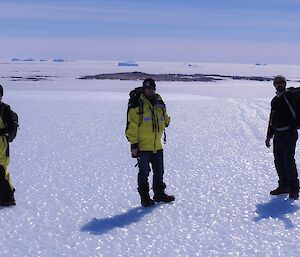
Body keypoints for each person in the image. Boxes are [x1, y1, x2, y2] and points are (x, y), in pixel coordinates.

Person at [126, 78, 175, 207]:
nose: (150, 91)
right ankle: (145, 198)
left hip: (157, 145)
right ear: (144, 89)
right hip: (143, 146)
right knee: (144, 173)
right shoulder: (138, 103)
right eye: (148, 89)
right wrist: (134, 145)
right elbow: (132, 125)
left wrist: (166, 121)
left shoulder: (159, 101)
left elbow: (165, 119)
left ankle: (159, 194)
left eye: (152, 88)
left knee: (159, 171)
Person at [265, 75, 299, 200]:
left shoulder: (291, 96)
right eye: (277, 82)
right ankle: (284, 186)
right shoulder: (275, 100)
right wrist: (269, 135)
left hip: (289, 134)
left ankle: (294, 189)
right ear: (274, 85)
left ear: (285, 83)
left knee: (289, 161)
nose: (279, 84)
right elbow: (271, 119)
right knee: (278, 161)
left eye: (281, 82)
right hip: (278, 135)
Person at [0, 85, 16, 206]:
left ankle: (8, 197)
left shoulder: (4, 110)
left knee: (1, 169)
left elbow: (10, 128)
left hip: (2, 144)